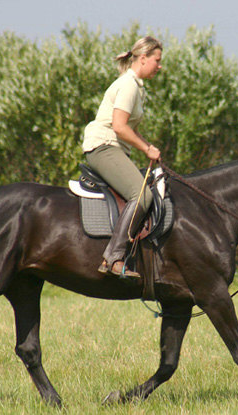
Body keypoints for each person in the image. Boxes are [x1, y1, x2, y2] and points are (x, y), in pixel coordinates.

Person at [82, 36, 163, 280]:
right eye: (157, 61)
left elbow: (129, 128)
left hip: (113, 148)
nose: (159, 66)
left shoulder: (136, 86)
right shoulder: (128, 85)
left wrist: (147, 147)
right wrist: (146, 149)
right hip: (104, 147)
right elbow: (119, 127)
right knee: (142, 195)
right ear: (143, 58)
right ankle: (113, 257)